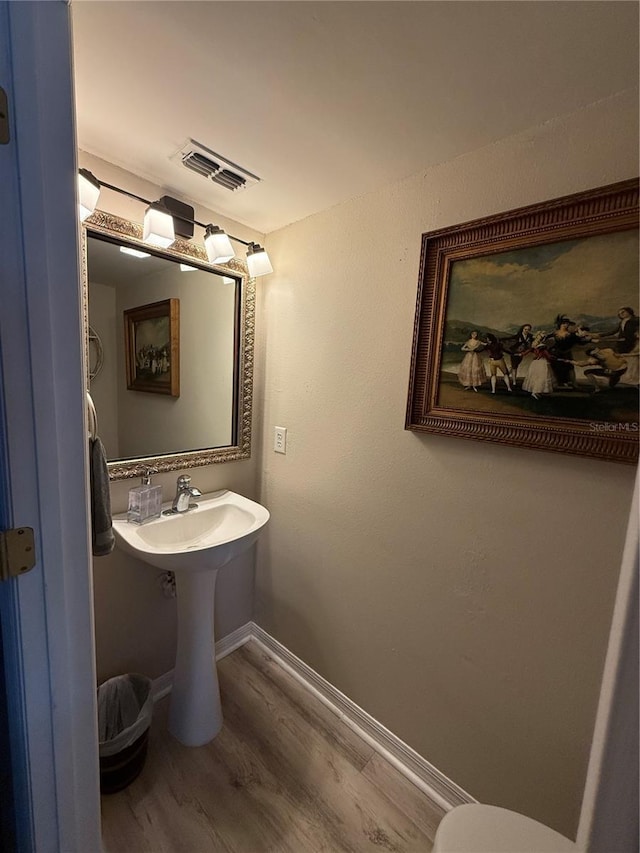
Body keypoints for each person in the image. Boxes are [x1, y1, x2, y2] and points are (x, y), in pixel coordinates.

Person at [545, 315, 581, 388]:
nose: (565, 325)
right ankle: (559, 383)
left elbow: (579, 341)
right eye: (564, 324)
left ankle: (574, 383)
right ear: (560, 324)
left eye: (567, 324)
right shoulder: (555, 333)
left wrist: (580, 333)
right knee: (557, 367)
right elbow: (545, 339)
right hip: (556, 353)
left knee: (570, 367)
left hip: (566, 353)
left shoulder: (571, 334)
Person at [521, 331, 555, 400]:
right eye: (542, 338)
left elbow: (526, 352)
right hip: (541, 363)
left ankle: (536, 392)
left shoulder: (534, 345)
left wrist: (521, 354)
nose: (543, 339)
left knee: (536, 377)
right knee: (541, 378)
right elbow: (547, 355)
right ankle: (535, 392)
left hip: (535, 363)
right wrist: (553, 357)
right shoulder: (542, 347)